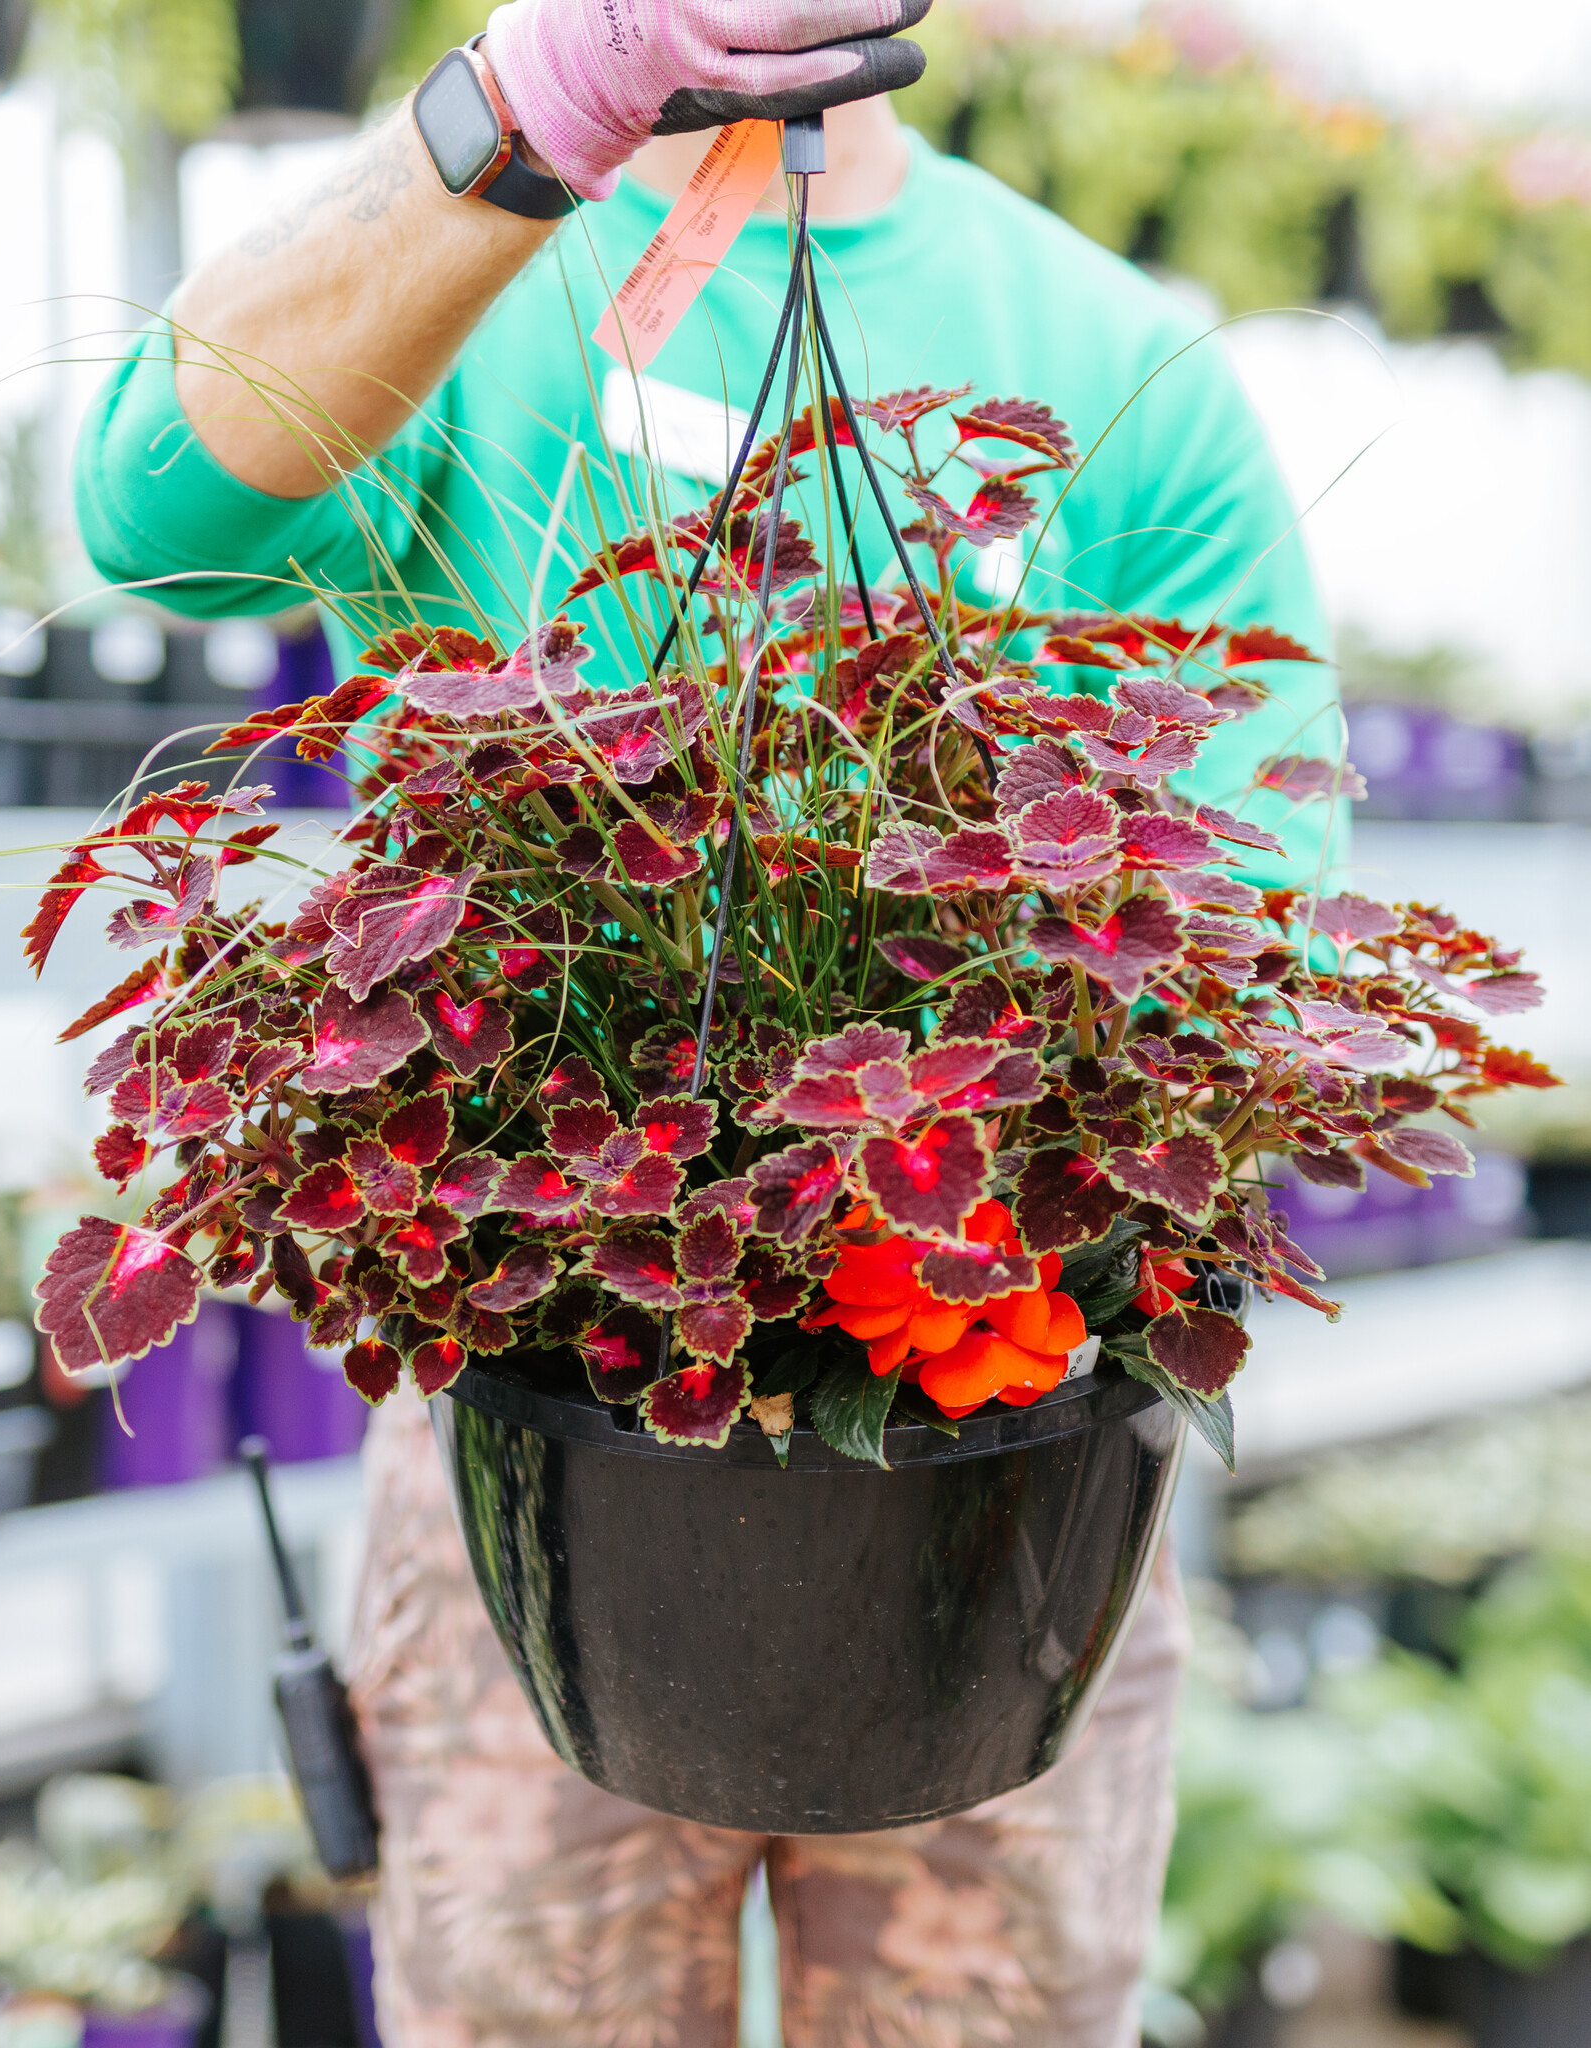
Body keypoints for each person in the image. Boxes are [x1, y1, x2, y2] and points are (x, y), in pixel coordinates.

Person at [74, 4, 1342, 2041]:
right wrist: (532, 101)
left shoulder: (1110, 356)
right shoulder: (458, 261)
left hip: (1002, 1418)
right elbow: (150, 515)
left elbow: (1259, 909)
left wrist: (976, 1174)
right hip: (532, 1394)